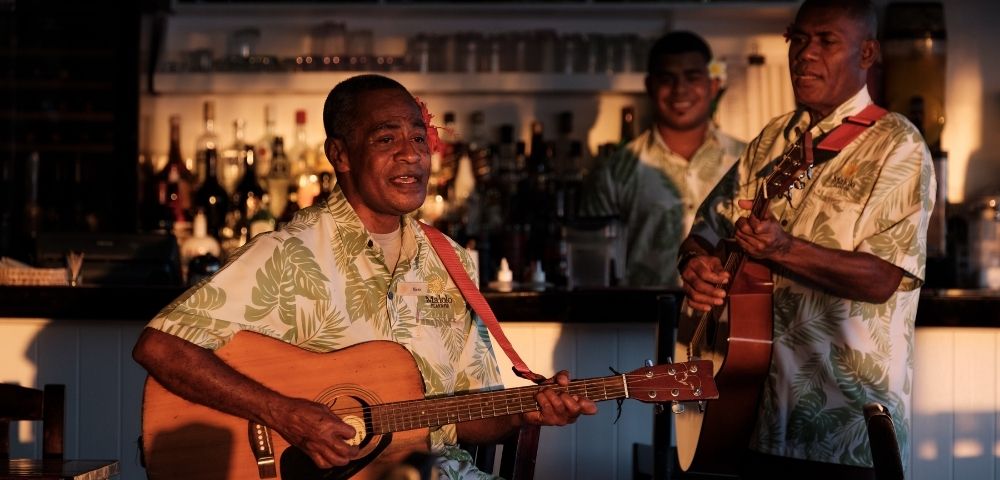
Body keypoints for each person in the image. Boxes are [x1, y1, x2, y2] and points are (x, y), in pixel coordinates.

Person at [132, 74, 597, 479]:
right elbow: (161, 346)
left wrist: (525, 413)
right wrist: (284, 414)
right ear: (340, 154)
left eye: (419, 139)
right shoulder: (287, 255)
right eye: (386, 140)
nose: (411, 156)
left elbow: (465, 412)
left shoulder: (449, 260)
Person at [677, 1, 935, 478]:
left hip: (844, 431)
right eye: (797, 39)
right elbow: (704, 232)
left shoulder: (898, 145)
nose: (804, 54)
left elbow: (883, 278)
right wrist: (695, 266)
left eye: (826, 41)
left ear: (868, 52)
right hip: (753, 414)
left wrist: (782, 249)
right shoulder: (773, 139)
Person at [578, 31, 745, 287]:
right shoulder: (616, 170)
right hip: (641, 320)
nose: (680, 89)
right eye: (668, 79)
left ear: (713, 85)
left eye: (692, 77)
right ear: (649, 86)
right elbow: (591, 259)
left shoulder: (747, 160)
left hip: (724, 320)